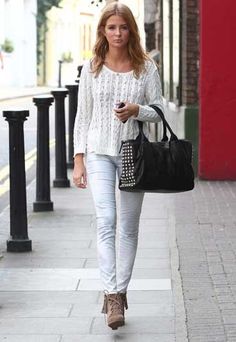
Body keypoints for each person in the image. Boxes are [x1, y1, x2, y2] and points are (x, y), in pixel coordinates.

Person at [73, 1, 164, 330]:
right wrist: (78, 159)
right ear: (103, 31)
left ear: (131, 30)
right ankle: (112, 294)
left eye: (123, 27)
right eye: (111, 27)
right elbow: (83, 116)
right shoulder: (93, 67)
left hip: (134, 155)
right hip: (98, 151)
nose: (117, 33)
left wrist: (137, 109)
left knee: (128, 228)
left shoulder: (145, 67)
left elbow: (159, 109)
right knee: (106, 220)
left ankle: (119, 292)